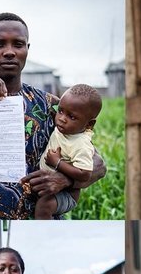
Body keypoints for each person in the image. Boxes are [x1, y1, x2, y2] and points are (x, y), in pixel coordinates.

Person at [0, 12, 105, 219]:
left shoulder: (51, 107)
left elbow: (98, 165)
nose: (9, 52)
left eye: (18, 44)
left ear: (27, 49)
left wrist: (64, 179)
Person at [35, 84, 102, 219]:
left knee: (44, 206)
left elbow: (85, 174)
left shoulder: (80, 144)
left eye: (71, 117)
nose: (62, 119)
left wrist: (58, 163)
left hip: (66, 194)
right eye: (60, 111)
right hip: (49, 188)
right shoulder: (65, 128)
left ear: (89, 124)